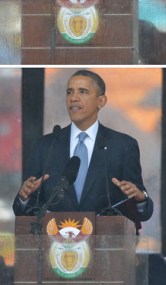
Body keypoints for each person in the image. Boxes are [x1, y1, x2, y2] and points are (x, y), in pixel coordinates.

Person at [13, 70, 153, 228]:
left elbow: (143, 211)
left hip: (106, 247)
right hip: (53, 246)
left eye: (83, 92)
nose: (74, 98)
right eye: (69, 92)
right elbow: (24, 209)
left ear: (101, 101)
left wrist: (141, 199)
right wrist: (23, 198)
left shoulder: (123, 146)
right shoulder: (45, 146)